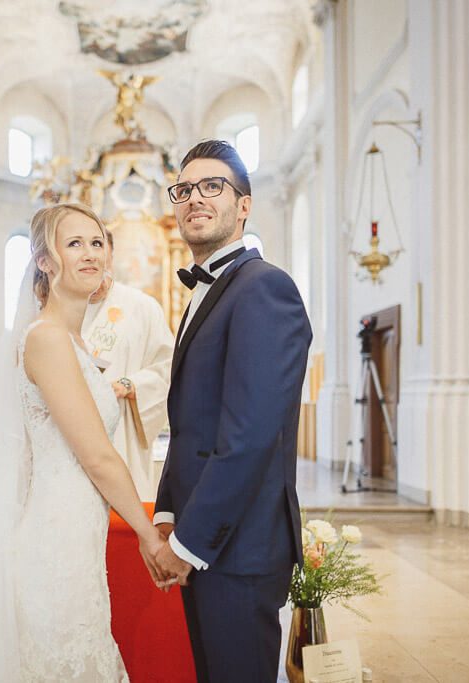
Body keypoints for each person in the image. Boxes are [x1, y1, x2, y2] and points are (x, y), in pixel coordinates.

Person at [0, 203, 172, 682]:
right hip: (56, 537)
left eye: (96, 243)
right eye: (73, 244)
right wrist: (148, 535)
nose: (90, 254)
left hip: (76, 532)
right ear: (44, 261)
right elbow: (96, 456)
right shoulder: (47, 338)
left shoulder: (74, 340)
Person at [152, 140, 312, 682]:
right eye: (185, 189)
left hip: (237, 547)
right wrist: (168, 511)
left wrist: (190, 543)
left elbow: (248, 436)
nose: (195, 198)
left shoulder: (265, 288)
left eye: (212, 186)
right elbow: (191, 421)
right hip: (208, 537)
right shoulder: (208, 290)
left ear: (243, 205)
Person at [83, 230, 175, 499]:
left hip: (123, 434)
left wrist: (129, 385)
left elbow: (169, 368)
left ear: (110, 256)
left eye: (98, 247)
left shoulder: (142, 308)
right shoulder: (56, 308)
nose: (91, 258)